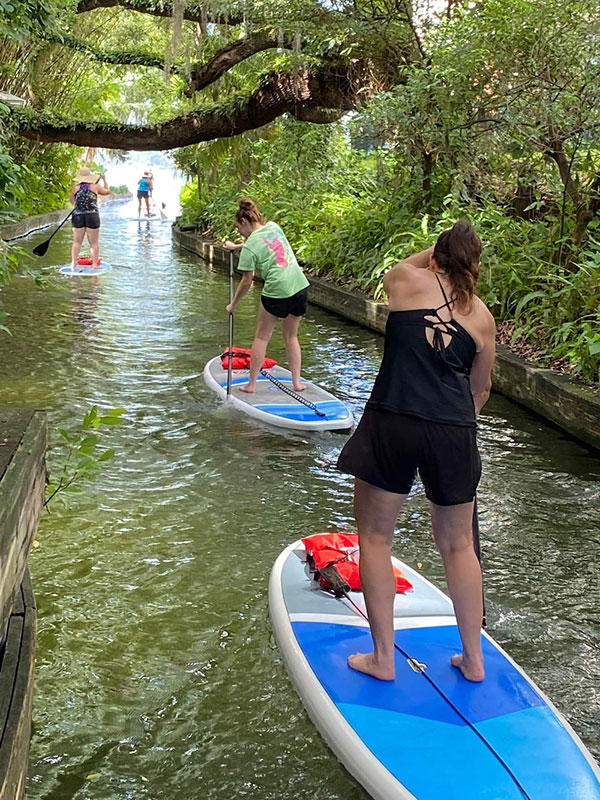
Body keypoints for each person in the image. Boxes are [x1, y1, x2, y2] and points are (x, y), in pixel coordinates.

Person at [337, 220, 496, 683]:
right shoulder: (483, 317)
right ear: (475, 266)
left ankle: (384, 659)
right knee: (458, 544)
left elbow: (401, 265)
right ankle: (473, 660)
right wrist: (453, 428)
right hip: (454, 429)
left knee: (376, 537)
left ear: (435, 257)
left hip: (394, 418)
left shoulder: (407, 280)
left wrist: (435, 251)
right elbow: (479, 390)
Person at [223, 199, 310, 394]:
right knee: (291, 336)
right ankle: (297, 383)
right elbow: (263, 243)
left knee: (262, 337)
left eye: (239, 229)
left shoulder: (249, 248)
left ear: (244, 222)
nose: (240, 233)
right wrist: (236, 247)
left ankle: (251, 385)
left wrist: (233, 305)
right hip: (299, 286)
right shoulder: (273, 227)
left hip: (277, 290)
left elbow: (247, 281)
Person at [69, 166, 110, 269]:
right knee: (94, 243)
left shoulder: (75, 188)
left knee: (77, 241)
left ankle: (73, 263)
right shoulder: (95, 187)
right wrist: (104, 179)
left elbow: (72, 201)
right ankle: (95, 265)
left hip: (78, 216)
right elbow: (107, 191)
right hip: (92, 215)